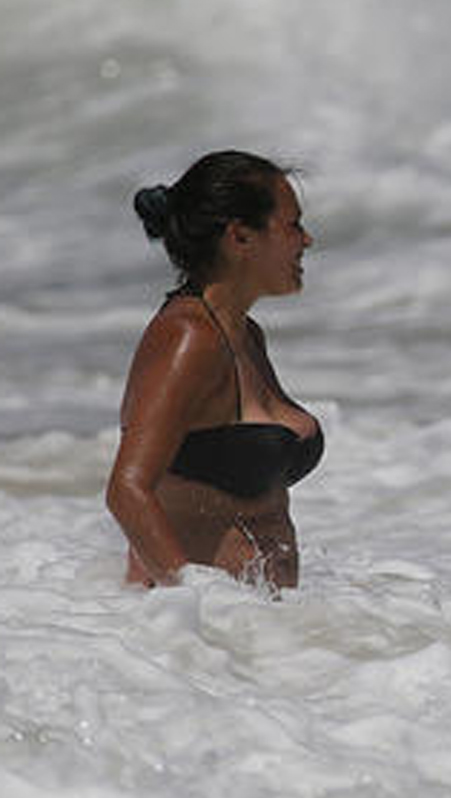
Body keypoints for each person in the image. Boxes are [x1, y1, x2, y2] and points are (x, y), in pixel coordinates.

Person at [106, 150, 321, 590]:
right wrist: (193, 607)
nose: (307, 240)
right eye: (293, 225)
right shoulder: (189, 338)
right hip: (196, 638)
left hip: (249, 633)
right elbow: (127, 491)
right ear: (240, 237)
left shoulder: (245, 335)